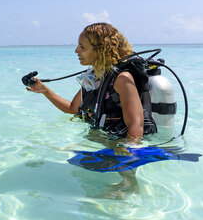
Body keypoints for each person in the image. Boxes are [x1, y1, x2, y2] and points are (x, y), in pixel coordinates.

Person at [26, 22, 157, 140]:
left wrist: (126, 157)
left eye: (82, 47)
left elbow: (136, 127)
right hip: (105, 141)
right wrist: (44, 91)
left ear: (101, 50)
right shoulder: (94, 76)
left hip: (122, 147)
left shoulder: (122, 79)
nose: (76, 50)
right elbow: (72, 108)